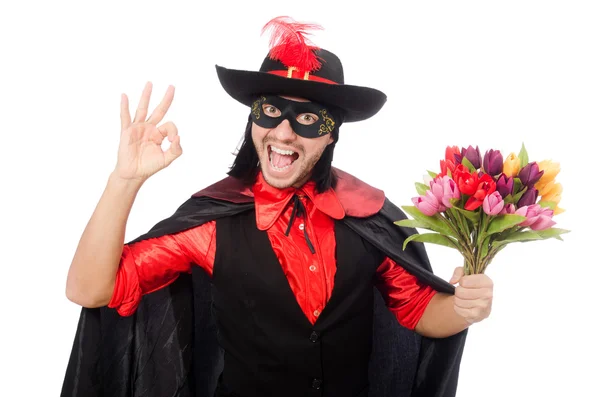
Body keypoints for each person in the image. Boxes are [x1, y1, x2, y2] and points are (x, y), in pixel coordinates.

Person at [61, 16, 494, 397]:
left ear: (331, 135)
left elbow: (419, 311)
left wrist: (461, 308)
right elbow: (90, 290)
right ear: (253, 120)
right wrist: (125, 180)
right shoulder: (211, 224)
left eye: (307, 119)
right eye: (270, 111)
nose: (284, 133)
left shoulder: (366, 214)